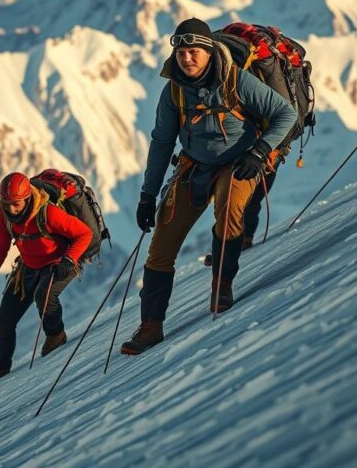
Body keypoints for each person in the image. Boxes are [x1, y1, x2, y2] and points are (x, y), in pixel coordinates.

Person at [121, 18, 296, 355]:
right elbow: (162, 142)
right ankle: (151, 325)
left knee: (229, 211)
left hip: (240, 161)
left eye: (194, 51)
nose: (187, 58)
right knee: (161, 245)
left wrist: (260, 152)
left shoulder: (236, 80)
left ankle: (222, 284)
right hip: (194, 167)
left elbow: (284, 114)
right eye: (182, 52)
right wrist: (147, 195)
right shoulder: (174, 91)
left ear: (209, 51)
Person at [0, 172, 93, 389]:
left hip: (59, 262)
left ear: (27, 199)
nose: (11, 209)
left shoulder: (49, 213)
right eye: (6, 203)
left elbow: (84, 234)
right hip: (28, 267)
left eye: (15, 204)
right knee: (4, 320)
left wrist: (69, 259)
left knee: (44, 296)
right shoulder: (4, 218)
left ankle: (56, 335)